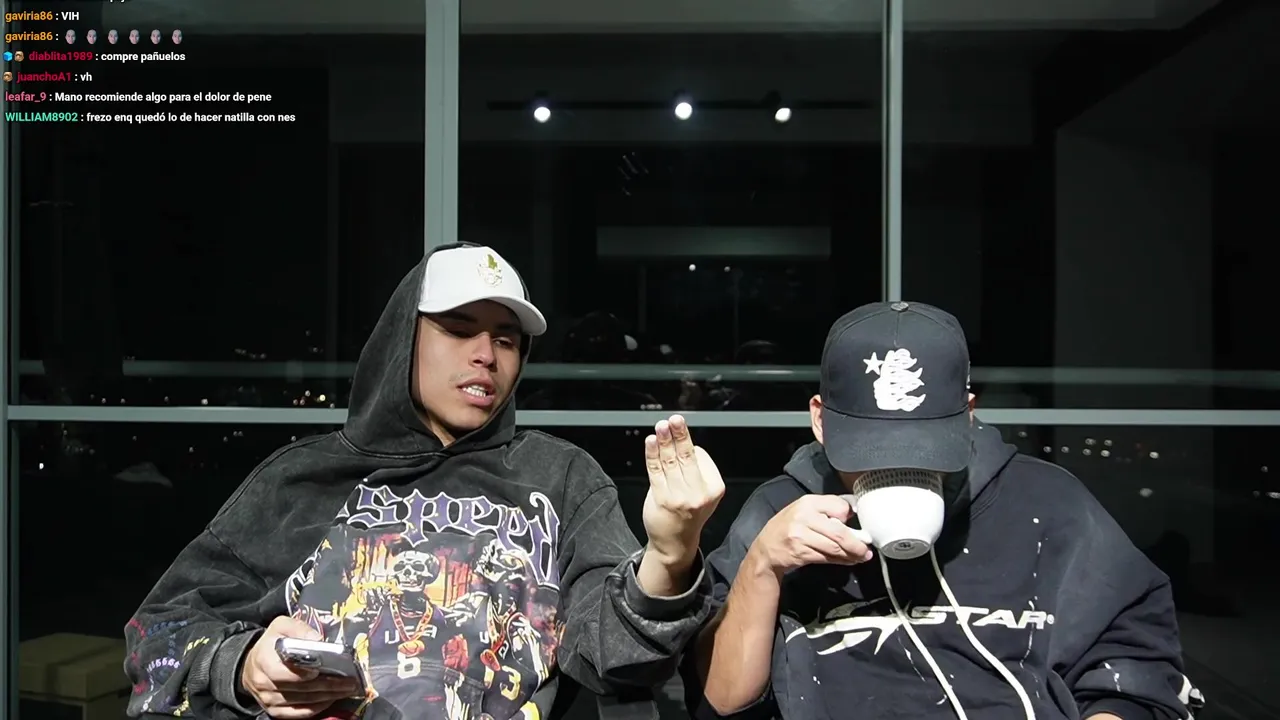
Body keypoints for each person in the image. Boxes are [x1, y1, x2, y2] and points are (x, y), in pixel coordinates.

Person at [124, 243, 725, 720]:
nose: (486, 354)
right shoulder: (298, 480)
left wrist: (669, 556)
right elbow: (160, 632)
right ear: (403, 339)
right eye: (459, 329)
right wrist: (242, 663)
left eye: (506, 339)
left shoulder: (559, 479)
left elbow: (613, 655)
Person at [685, 301, 1203, 720]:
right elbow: (720, 702)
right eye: (868, 450)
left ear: (968, 416)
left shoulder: (1049, 505)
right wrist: (763, 566)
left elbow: (1134, 668)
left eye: (924, 448)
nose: (897, 466)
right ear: (820, 420)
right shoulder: (778, 512)